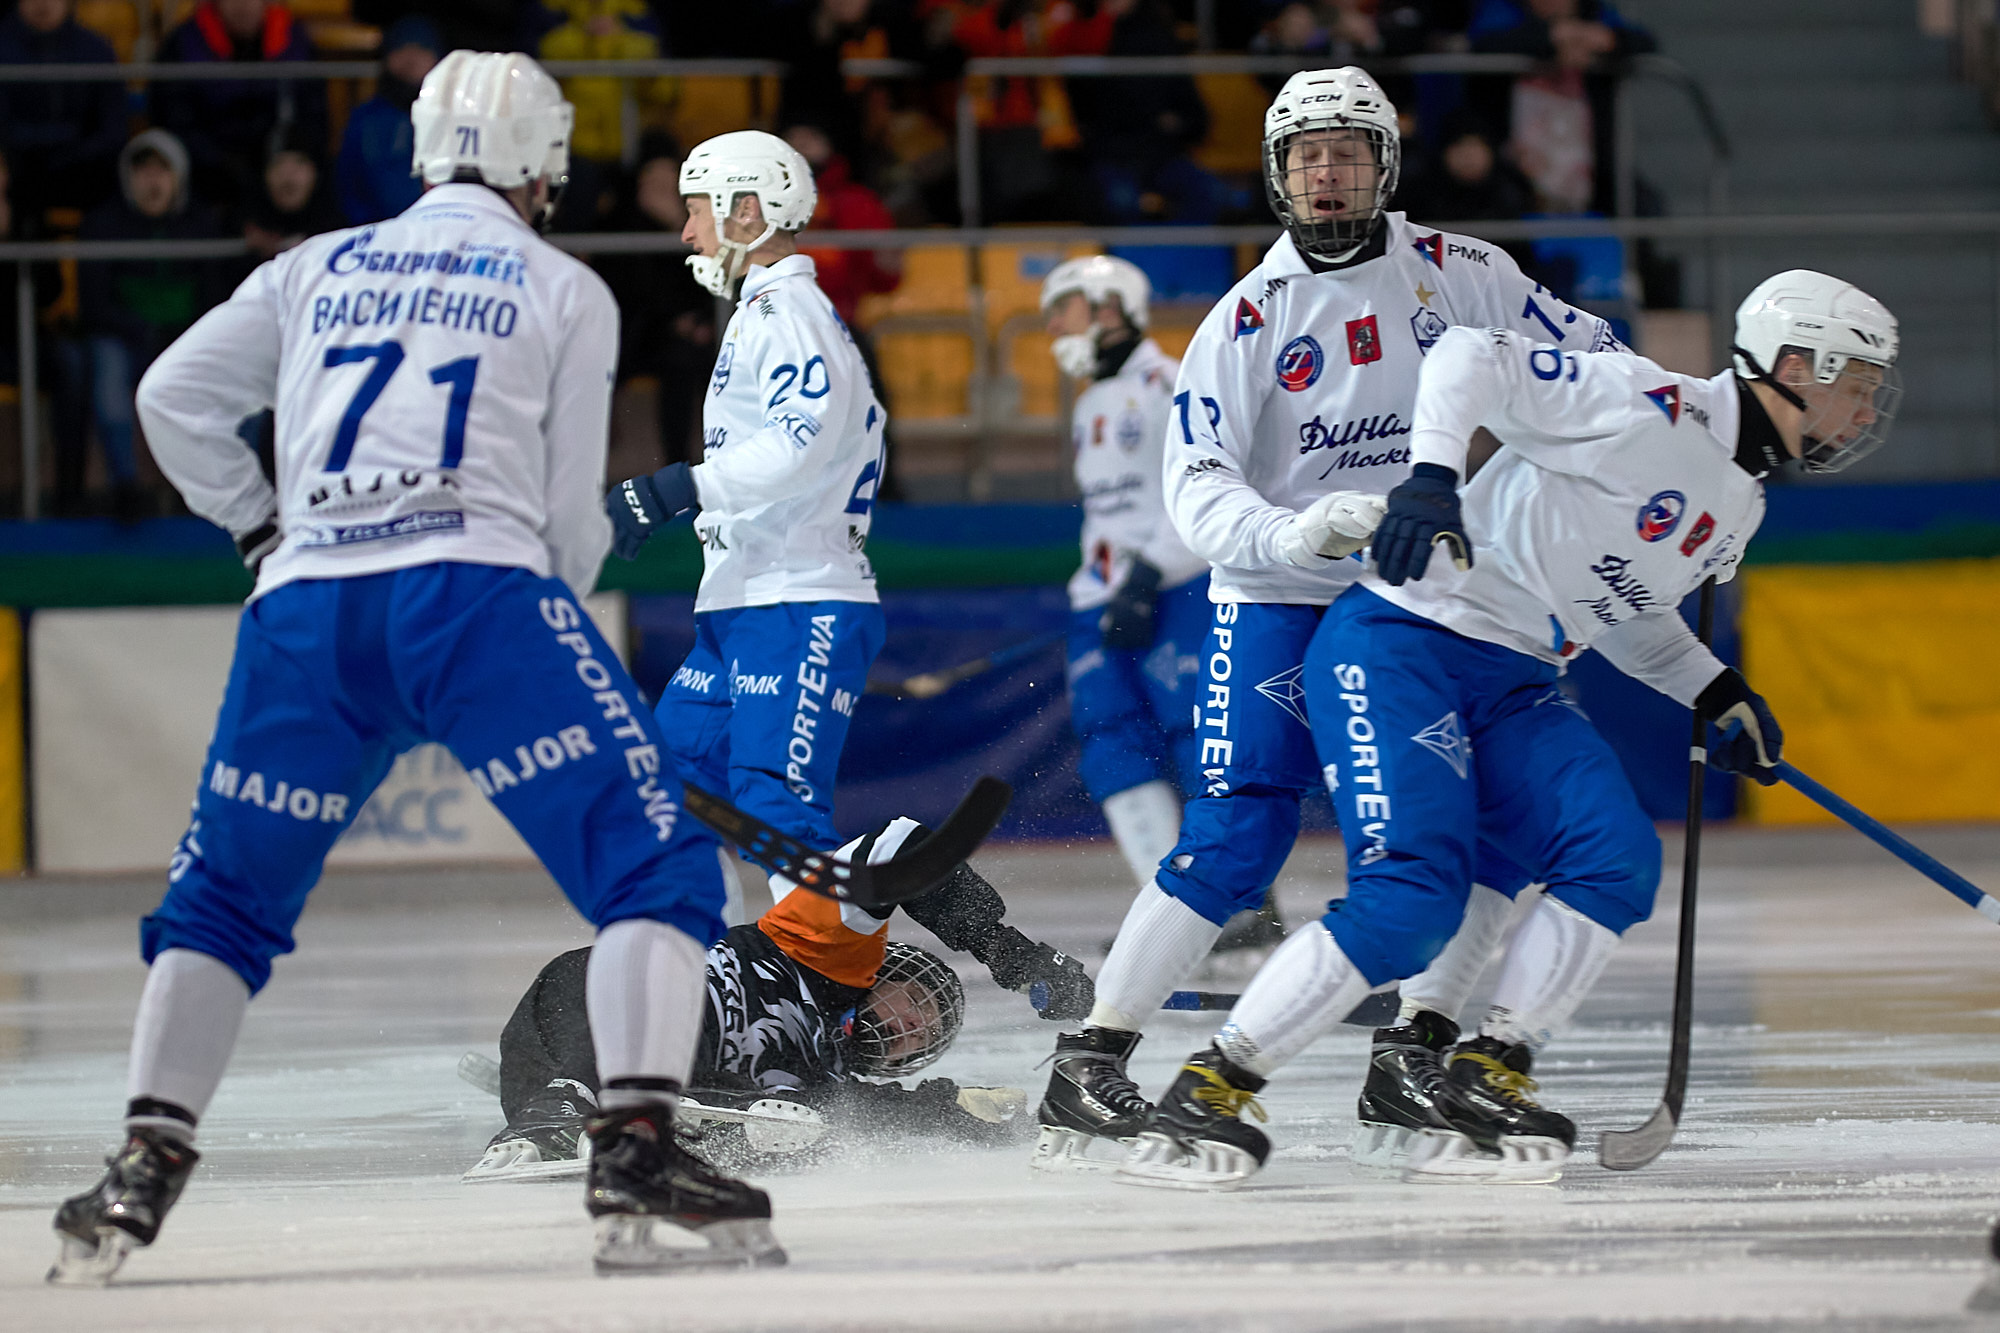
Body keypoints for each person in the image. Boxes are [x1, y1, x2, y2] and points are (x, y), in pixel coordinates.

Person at [47, 53, 784, 1284]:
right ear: (542, 168)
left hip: (309, 606)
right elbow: (564, 529)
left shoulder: (310, 265)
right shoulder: (563, 286)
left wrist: (259, 526)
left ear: (424, 151)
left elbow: (170, 397)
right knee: (653, 866)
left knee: (221, 902)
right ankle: (639, 1144)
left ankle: (142, 1162)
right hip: (474, 596)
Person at [1120, 268, 1899, 1189]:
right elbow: (1467, 354)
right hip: (1403, 644)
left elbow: (1629, 612)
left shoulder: (1742, 505)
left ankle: (1489, 1067)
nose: (1861, 412)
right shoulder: (1653, 404)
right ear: (1798, 363)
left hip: (1519, 678)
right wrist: (1433, 479)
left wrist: (1716, 688)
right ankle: (1212, 1084)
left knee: (1613, 852)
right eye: (1856, 387)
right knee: (1412, 898)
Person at [1031, 67, 1621, 1176]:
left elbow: (1598, 373)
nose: (1325, 171)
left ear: (1384, 163)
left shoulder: (1464, 271)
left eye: (1345, 150)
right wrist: (1300, 536)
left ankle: (1414, 1053)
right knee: (1235, 835)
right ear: (1274, 175)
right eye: (1303, 156)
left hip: (1431, 600)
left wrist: (1677, 444)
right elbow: (1198, 494)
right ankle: (1091, 1057)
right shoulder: (1243, 318)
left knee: (1487, 821)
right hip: (1282, 604)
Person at [603, 131, 889, 931]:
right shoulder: (764, 309)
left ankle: (825, 1006)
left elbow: (801, 442)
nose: (687, 232)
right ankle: (703, 985)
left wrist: (674, 488)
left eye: (697, 210)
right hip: (747, 600)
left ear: (749, 210)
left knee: (775, 809)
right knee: (672, 794)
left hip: (796, 598)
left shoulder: (790, 311)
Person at [472, 819, 1090, 1174]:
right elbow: (900, 849)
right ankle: (566, 1106)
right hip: (583, 1019)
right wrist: (1009, 950)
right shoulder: (822, 949)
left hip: (653, 1093)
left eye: (921, 1039)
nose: (909, 1027)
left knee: (789, 1128)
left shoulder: (827, 1080)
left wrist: (966, 1112)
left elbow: (874, 1118)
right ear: (883, 967)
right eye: (917, 1002)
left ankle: (610, 1118)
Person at [1038, 255, 1206, 893]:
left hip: (1176, 588)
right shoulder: (1089, 405)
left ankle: (1238, 900)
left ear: (1110, 306)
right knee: (1112, 746)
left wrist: (1151, 572)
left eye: (1065, 307)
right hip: (1104, 598)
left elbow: (1205, 488)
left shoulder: (1174, 382)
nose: (1053, 326)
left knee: (1198, 738)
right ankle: (1169, 907)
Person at [56, 129, 227, 521]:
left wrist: (180, 336)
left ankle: (205, 491)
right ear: (127, 178)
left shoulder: (202, 224)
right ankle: (127, 488)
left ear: (178, 176)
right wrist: (141, 331)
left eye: (161, 171)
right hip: (125, 339)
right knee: (107, 367)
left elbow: (215, 301)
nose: (152, 181)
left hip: (185, 340)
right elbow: (94, 306)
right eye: (143, 171)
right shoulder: (101, 225)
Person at [591, 137, 719, 467]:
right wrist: (675, 318)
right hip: (632, 332)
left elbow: (713, 282)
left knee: (701, 358)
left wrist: (679, 227)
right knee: (677, 356)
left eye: (668, 179)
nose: (660, 187)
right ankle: (676, 465)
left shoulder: (696, 223)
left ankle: (713, 463)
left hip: (684, 332)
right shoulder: (618, 222)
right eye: (653, 178)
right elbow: (627, 288)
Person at [152, 0, 328, 213]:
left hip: (278, 172)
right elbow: (174, 120)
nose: (243, 5)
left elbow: (314, 119)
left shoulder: (296, 42)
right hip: (206, 178)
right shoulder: (183, 44)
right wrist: (222, 164)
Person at [0, 0, 126, 223]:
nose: (43, 4)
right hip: (16, 170)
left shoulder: (96, 51)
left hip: (81, 168)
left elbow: (113, 130)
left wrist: (70, 152)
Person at [335, 16, 445, 226]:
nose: (411, 58)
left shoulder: (452, 118)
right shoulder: (365, 119)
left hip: (439, 234)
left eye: (421, 48)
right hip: (375, 236)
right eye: (401, 48)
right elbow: (347, 186)